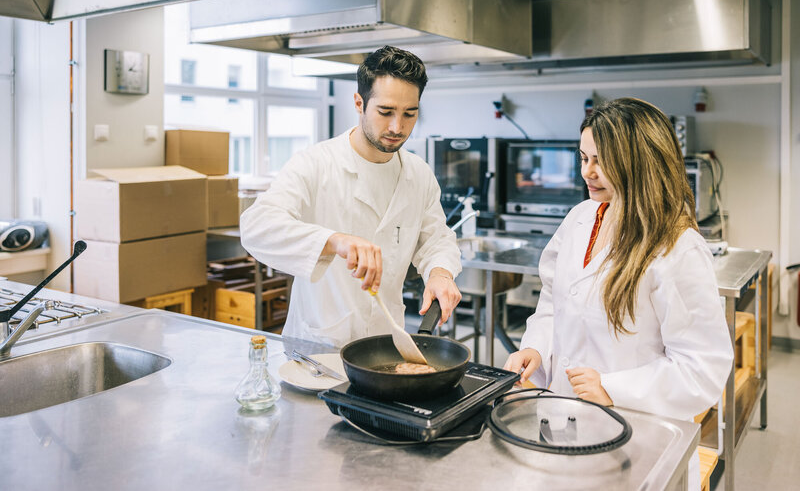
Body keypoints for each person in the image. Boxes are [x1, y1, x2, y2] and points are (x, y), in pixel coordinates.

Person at [503, 97, 732, 490]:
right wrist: (536, 349)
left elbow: (703, 368)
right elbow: (553, 301)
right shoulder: (580, 218)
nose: (586, 172)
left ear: (638, 162)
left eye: (600, 161)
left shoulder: (676, 247)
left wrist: (613, 388)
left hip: (638, 438)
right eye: (582, 157)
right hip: (562, 420)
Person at [240, 45, 462, 348]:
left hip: (386, 343)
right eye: (385, 112)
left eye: (409, 114)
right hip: (320, 347)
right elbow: (256, 226)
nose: (398, 127)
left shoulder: (418, 174)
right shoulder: (316, 163)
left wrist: (440, 273)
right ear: (359, 103)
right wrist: (334, 241)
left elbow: (436, 238)